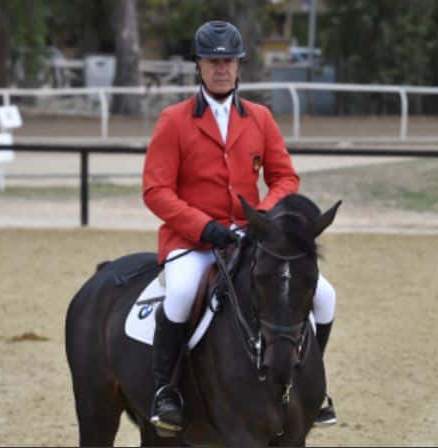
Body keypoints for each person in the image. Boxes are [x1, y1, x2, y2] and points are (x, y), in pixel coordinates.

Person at [142, 20, 337, 433]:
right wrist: (203, 227)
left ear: (239, 66)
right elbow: (156, 190)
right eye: (212, 61)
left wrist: (260, 218)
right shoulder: (174, 120)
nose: (220, 68)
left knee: (324, 297)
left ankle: (311, 388)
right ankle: (166, 392)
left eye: (228, 61)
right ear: (199, 65)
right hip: (194, 240)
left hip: (251, 236)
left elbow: (286, 178)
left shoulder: (260, 118)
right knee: (178, 295)